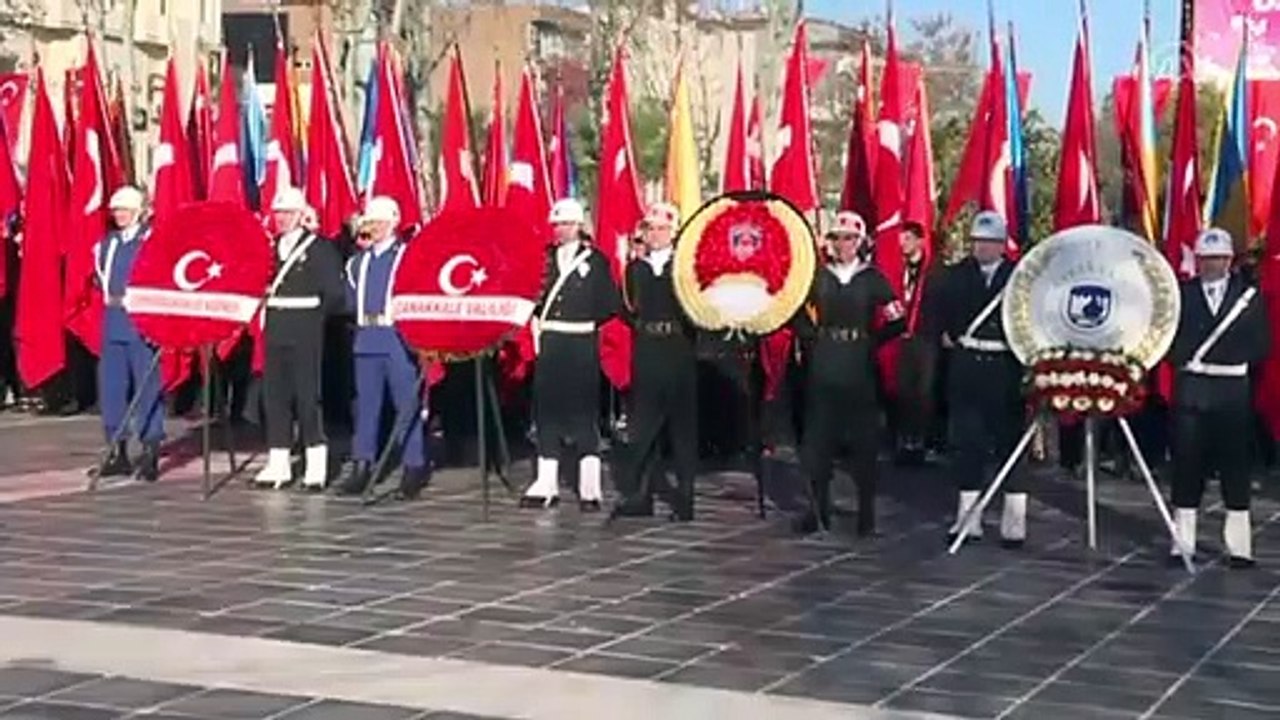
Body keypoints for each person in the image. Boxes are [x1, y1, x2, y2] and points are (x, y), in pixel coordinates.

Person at [792, 211, 904, 536]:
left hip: (859, 366)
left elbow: (898, 318)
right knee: (818, 441)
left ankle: (866, 514)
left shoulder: (873, 279)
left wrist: (872, 342)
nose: (842, 245)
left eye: (849, 239)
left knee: (864, 443)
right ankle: (817, 510)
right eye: (837, 238)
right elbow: (795, 311)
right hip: (824, 363)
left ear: (861, 242)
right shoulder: (817, 278)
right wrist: (810, 338)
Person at [1168, 228, 1270, 569]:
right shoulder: (1182, 295)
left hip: (1231, 392)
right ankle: (1183, 541)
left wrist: (1222, 356)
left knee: (1235, 467)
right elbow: (1169, 338)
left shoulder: (1249, 298)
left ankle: (1239, 546)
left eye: (1219, 258)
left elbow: (1261, 344)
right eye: (1207, 259)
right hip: (1193, 390)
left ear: (1230, 260)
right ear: (1198, 261)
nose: (1213, 265)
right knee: (1187, 465)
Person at [520, 198, 620, 510]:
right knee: (547, 411)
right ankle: (545, 483)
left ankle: (589, 487)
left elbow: (608, 304)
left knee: (582, 413)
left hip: (580, 341)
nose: (560, 230)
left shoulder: (597, 261)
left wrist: (584, 321)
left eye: (566, 224)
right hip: (551, 341)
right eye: (557, 224)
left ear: (578, 225)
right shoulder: (543, 260)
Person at [938, 211, 1026, 547]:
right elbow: (939, 313)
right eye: (978, 242)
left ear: (1002, 245)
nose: (983, 248)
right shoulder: (956, 275)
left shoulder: (1019, 277)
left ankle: (1014, 519)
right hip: (968, 364)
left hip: (1005, 366)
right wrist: (944, 334)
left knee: (1010, 443)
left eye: (990, 242)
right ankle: (968, 516)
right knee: (967, 442)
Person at [335, 197, 431, 500]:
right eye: (370, 222)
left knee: (406, 404)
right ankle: (362, 463)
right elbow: (348, 301)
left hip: (396, 338)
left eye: (378, 221)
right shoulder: (357, 263)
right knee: (366, 406)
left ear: (393, 222)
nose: (373, 227)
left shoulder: (408, 257)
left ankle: (413, 465)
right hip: (366, 336)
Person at [253, 188, 346, 490]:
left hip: (305, 327)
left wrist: (314, 319)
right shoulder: (269, 247)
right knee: (275, 395)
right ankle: (278, 462)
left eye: (287, 213)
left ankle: (315, 463)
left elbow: (334, 293)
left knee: (307, 396)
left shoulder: (319, 248)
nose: (281, 219)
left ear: (300, 215)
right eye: (278, 214)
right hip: (276, 326)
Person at [611, 202, 697, 521]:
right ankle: (640, 496)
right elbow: (626, 308)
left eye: (662, 229)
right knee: (642, 427)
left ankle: (686, 499)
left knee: (681, 427)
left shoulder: (686, 267)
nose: (656, 235)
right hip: (647, 348)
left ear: (673, 232)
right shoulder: (635, 269)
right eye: (650, 229)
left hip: (678, 349)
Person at [93, 186, 164, 481]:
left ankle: (150, 449)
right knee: (112, 387)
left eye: (125, 209)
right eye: (116, 210)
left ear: (138, 212)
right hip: (113, 320)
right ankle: (117, 449)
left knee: (147, 386)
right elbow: (101, 280)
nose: (120, 215)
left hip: (140, 320)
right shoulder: (106, 245)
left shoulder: (151, 242)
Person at [892, 220, 943, 465]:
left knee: (924, 392)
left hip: (926, 338)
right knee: (903, 391)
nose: (903, 244)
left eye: (908, 239)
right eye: (901, 239)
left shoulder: (933, 271)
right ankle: (904, 440)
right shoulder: (895, 268)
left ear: (921, 241)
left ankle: (922, 441)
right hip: (902, 338)